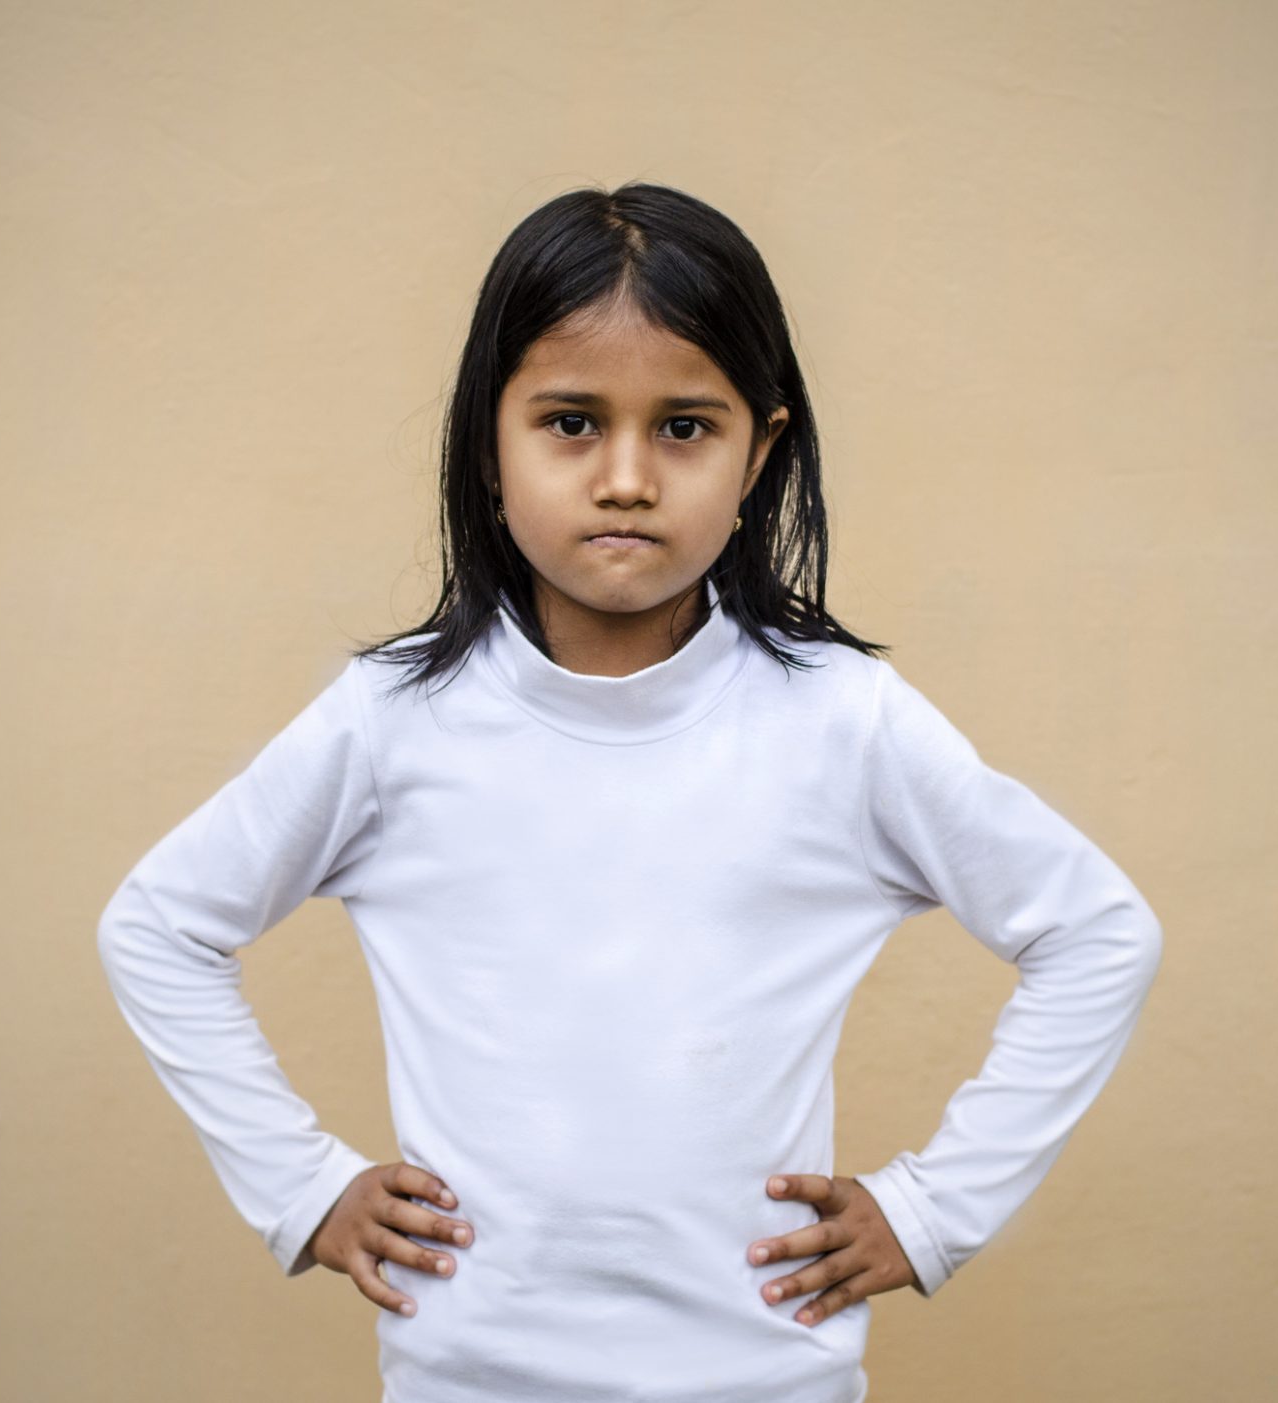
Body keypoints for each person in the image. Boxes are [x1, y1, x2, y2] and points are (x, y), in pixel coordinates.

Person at [96, 180, 1164, 1403]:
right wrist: (301, 1187)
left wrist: (928, 1213)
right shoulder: (392, 720)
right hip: (466, 1379)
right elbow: (158, 924)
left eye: (683, 427)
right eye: (567, 420)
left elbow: (1095, 932)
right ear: (486, 444)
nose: (623, 477)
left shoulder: (836, 720)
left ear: (759, 451)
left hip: (761, 1380)